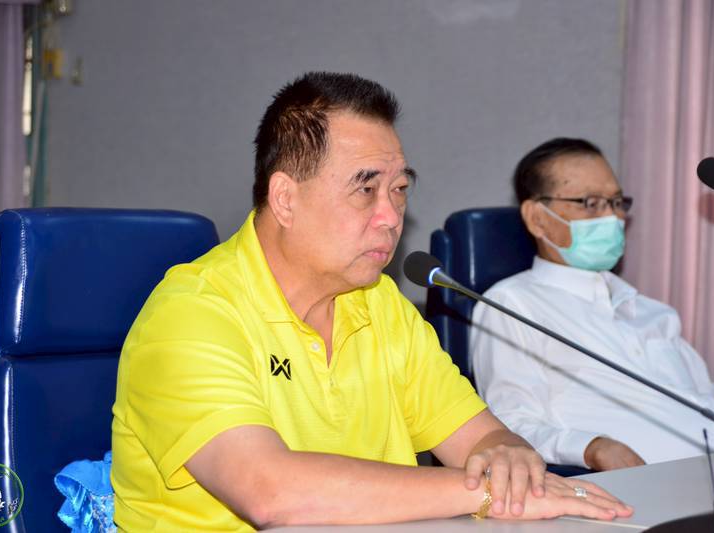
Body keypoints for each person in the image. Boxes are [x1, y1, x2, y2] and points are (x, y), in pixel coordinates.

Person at [111, 75, 631, 531]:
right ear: (286, 199)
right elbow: (270, 493)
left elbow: (482, 439)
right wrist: (485, 492)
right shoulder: (190, 313)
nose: (391, 216)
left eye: (399, 189)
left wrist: (511, 462)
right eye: (366, 190)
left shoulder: (381, 303)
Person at [470, 137, 714, 472]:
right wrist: (590, 447)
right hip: (637, 490)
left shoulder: (652, 311)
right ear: (537, 218)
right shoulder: (512, 304)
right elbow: (510, 424)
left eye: (617, 202)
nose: (612, 217)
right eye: (591, 203)